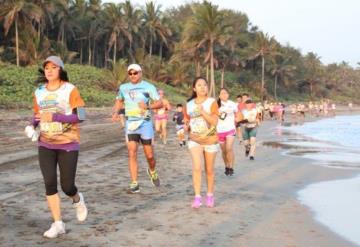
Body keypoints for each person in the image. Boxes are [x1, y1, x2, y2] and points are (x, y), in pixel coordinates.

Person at [25, 56, 88, 238]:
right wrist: (32, 125)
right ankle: (58, 223)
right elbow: (38, 115)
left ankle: (77, 199)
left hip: (68, 143)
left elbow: (81, 115)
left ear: (60, 69)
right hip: (45, 143)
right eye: (47, 68)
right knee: (49, 183)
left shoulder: (70, 89)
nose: (50, 70)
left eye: (54, 67)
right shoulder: (39, 92)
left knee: (67, 186)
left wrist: (56, 117)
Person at [112, 64, 163, 193]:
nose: (133, 75)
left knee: (150, 156)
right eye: (130, 73)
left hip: (145, 123)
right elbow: (119, 100)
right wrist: (115, 112)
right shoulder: (124, 88)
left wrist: (148, 107)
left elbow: (160, 102)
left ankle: (152, 171)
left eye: (135, 73)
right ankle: (134, 183)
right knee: (132, 152)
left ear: (141, 73)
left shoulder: (148, 87)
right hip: (131, 124)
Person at [184, 77, 219, 208]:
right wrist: (186, 127)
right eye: (199, 85)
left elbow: (215, 122)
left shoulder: (212, 102)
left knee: (209, 170)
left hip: (210, 140)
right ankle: (197, 197)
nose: (202, 87)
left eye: (204, 85)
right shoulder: (189, 104)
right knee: (197, 167)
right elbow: (187, 122)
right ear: (194, 88)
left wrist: (202, 111)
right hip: (195, 139)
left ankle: (209, 195)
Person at [216, 88, 239, 176]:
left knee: (229, 148)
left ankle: (231, 167)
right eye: (222, 93)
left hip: (230, 129)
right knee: (224, 151)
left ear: (228, 95)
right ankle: (226, 165)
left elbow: (238, 114)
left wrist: (237, 120)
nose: (224, 95)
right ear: (219, 96)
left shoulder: (232, 104)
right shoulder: (216, 105)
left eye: (225, 93)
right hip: (220, 131)